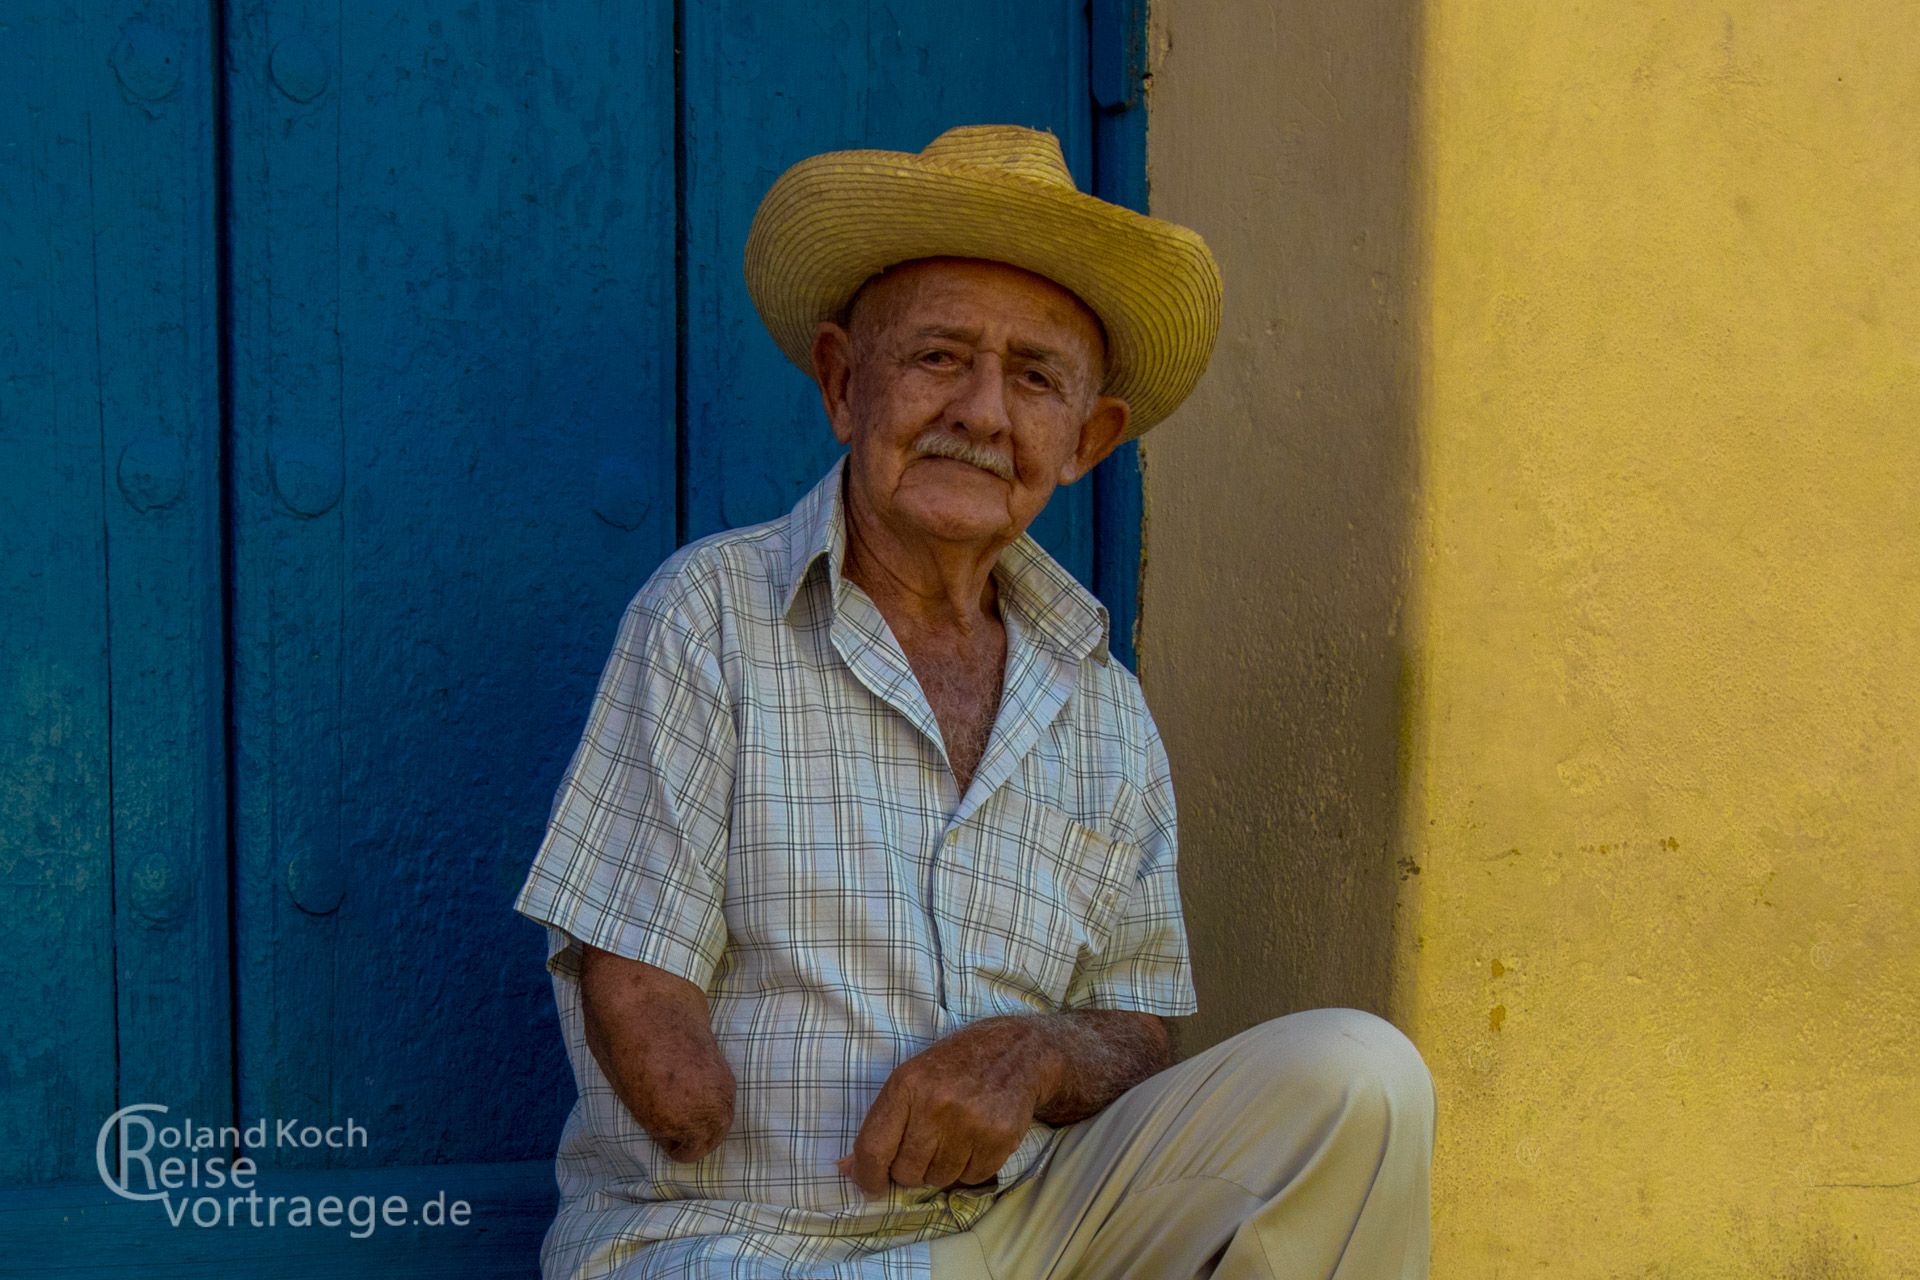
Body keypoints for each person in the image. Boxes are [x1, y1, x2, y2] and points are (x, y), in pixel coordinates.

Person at [514, 124, 1434, 1280]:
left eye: (1036, 378)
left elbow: (1138, 1025)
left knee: (1358, 1078)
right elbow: (640, 998)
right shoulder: (710, 613)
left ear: (1088, 438)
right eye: (940, 357)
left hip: (1017, 1235)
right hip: (741, 1240)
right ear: (846, 383)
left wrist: (1037, 1052)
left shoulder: (1103, 704)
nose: (985, 412)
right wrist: (691, 1088)